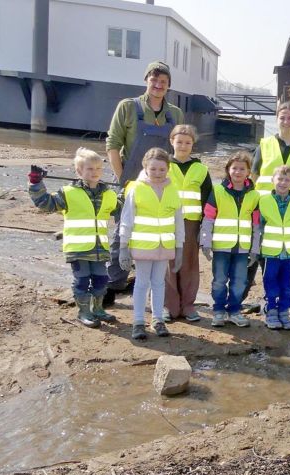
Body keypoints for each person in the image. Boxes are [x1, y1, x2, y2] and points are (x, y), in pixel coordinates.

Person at [104, 61, 184, 304]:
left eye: (163, 82)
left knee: (157, 234)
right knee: (122, 235)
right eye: (154, 80)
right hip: (131, 182)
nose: (158, 85)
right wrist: (123, 181)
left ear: (169, 85)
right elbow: (113, 145)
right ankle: (112, 286)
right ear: (146, 80)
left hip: (163, 184)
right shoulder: (128, 107)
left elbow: (180, 148)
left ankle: (151, 289)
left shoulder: (176, 114)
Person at [27, 148, 119, 328]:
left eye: (99, 169)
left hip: (99, 249)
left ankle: (98, 309)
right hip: (77, 249)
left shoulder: (109, 194)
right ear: (79, 171)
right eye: (90, 169)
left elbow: (122, 207)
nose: (95, 173)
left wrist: (135, 187)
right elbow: (45, 203)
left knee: (101, 279)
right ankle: (84, 312)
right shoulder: (68, 192)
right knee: (82, 280)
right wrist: (35, 183)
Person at [244, 102, 290, 303]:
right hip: (265, 206)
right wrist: (250, 202)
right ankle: (263, 288)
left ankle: (284, 291)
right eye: (282, 117)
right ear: (277, 120)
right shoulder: (265, 144)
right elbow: (254, 173)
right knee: (262, 247)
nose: (286, 121)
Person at [119, 148, 184, 341]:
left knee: (159, 283)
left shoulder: (173, 190)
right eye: (153, 169)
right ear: (145, 167)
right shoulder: (136, 189)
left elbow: (178, 221)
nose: (157, 173)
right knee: (141, 283)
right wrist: (123, 247)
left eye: (162, 169)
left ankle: (157, 320)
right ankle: (138, 322)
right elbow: (127, 218)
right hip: (143, 246)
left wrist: (179, 248)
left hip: (165, 246)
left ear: (168, 169)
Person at [199, 151, 260, 328]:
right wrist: (206, 242)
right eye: (234, 168)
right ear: (228, 170)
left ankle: (234, 311)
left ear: (248, 172)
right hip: (221, 247)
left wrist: (255, 248)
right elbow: (208, 219)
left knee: (240, 281)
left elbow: (256, 226)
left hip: (242, 249)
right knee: (219, 280)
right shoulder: (217, 191)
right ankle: (218, 311)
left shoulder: (254, 196)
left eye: (242, 169)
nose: (238, 172)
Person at [164, 124, 212, 322]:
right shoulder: (163, 165)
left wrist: (206, 225)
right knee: (167, 263)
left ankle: (188, 306)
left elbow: (208, 199)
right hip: (166, 222)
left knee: (190, 264)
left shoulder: (201, 169)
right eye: (179, 141)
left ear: (193, 144)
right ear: (171, 141)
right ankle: (168, 306)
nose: (183, 146)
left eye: (188, 142)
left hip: (191, 223)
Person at [257, 165, 290, 330]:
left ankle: (284, 312)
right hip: (270, 253)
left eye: (287, 179)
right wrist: (254, 250)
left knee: (287, 285)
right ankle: (271, 311)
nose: (283, 183)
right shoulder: (263, 201)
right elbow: (257, 228)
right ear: (272, 180)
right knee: (270, 282)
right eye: (280, 179)